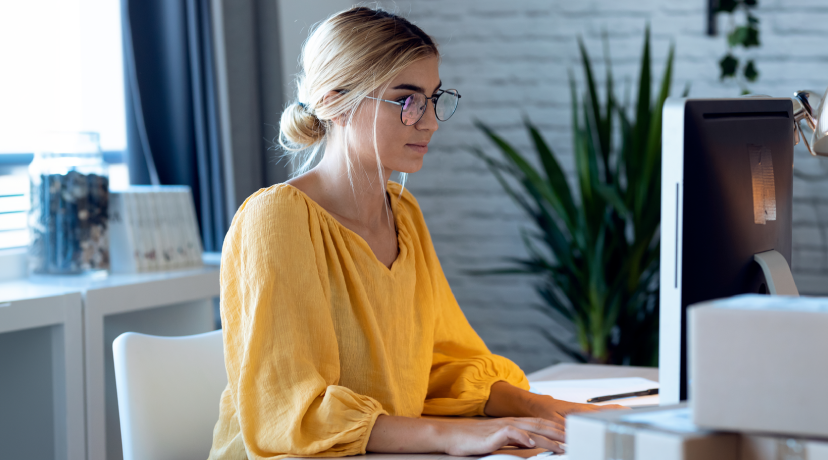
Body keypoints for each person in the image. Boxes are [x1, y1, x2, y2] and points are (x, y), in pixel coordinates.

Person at [206, 7, 625, 460]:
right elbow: (293, 413)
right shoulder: (276, 219)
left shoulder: (403, 213)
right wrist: (452, 436)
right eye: (406, 101)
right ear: (334, 101)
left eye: (432, 98)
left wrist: (540, 406)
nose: (428, 122)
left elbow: (441, 363)